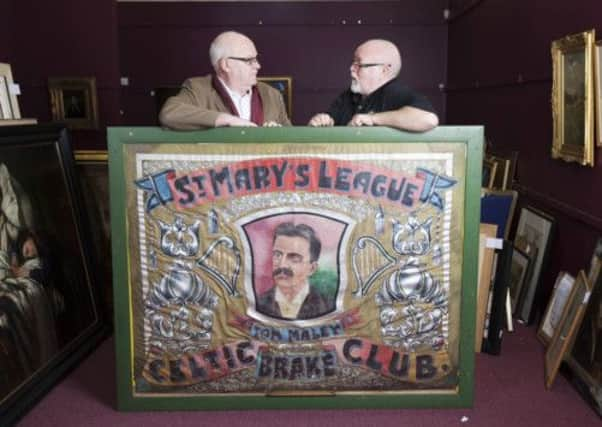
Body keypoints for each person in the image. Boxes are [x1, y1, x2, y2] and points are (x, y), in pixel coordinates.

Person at [159, 31, 291, 130]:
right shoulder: (198, 89)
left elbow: (292, 141)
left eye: (256, 59)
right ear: (225, 65)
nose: (258, 66)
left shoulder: (272, 94)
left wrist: (278, 133)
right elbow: (169, 113)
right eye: (249, 60)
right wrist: (226, 120)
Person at [308, 39, 438, 132]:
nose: (351, 69)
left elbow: (428, 119)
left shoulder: (394, 91)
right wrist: (321, 121)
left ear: (384, 70)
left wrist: (373, 119)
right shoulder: (349, 96)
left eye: (359, 64)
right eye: (353, 63)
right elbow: (327, 124)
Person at [256, 222, 334, 320]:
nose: (282, 264)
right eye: (277, 255)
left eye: (294, 258)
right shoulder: (257, 304)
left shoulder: (329, 306)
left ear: (312, 268)